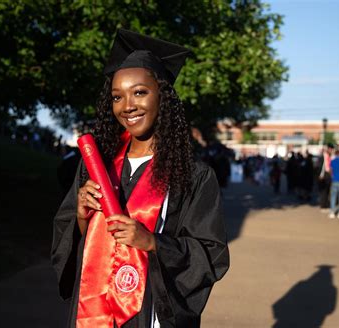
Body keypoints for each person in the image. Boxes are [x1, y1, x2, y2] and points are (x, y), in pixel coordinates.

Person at [51, 29, 229, 328]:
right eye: (117, 97)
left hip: (150, 310)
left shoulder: (193, 175)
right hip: (94, 308)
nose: (127, 106)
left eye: (140, 92)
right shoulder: (96, 167)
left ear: (163, 96)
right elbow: (70, 244)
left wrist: (153, 242)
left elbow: (211, 254)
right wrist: (81, 216)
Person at [318, 144, 334, 212]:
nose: (331, 151)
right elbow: (321, 167)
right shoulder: (323, 156)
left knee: (327, 190)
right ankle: (323, 206)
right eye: (330, 149)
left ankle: (326, 205)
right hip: (323, 175)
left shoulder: (331, 156)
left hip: (329, 175)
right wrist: (321, 175)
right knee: (323, 191)